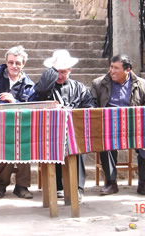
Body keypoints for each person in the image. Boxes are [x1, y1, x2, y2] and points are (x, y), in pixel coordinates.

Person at [90, 54, 145, 196]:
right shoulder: (98, 83)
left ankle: (144, 182)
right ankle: (110, 182)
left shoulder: (144, 86)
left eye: (116, 68)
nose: (112, 71)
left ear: (127, 70)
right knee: (105, 139)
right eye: (111, 67)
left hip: (135, 128)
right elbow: (93, 108)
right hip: (109, 126)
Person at [34, 49, 95, 202]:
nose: (60, 76)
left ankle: (77, 188)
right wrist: (52, 71)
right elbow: (39, 91)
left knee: (79, 147)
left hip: (75, 132)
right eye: (57, 72)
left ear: (70, 70)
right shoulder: (47, 87)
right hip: (51, 132)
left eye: (63, 72)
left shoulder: (79, 88)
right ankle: (57, 187)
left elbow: (89, 108)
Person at [0, 46, 35, 199]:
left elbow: (33, 107)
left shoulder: (29, 85)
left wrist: (15, 101)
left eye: (18, 63)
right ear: (6, 62)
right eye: (11, 62)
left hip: (21, 126)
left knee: (24, 142)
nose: (14, 66)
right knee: (10, 143)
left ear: (23, 64)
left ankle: (21, 186)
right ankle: (1, 185)